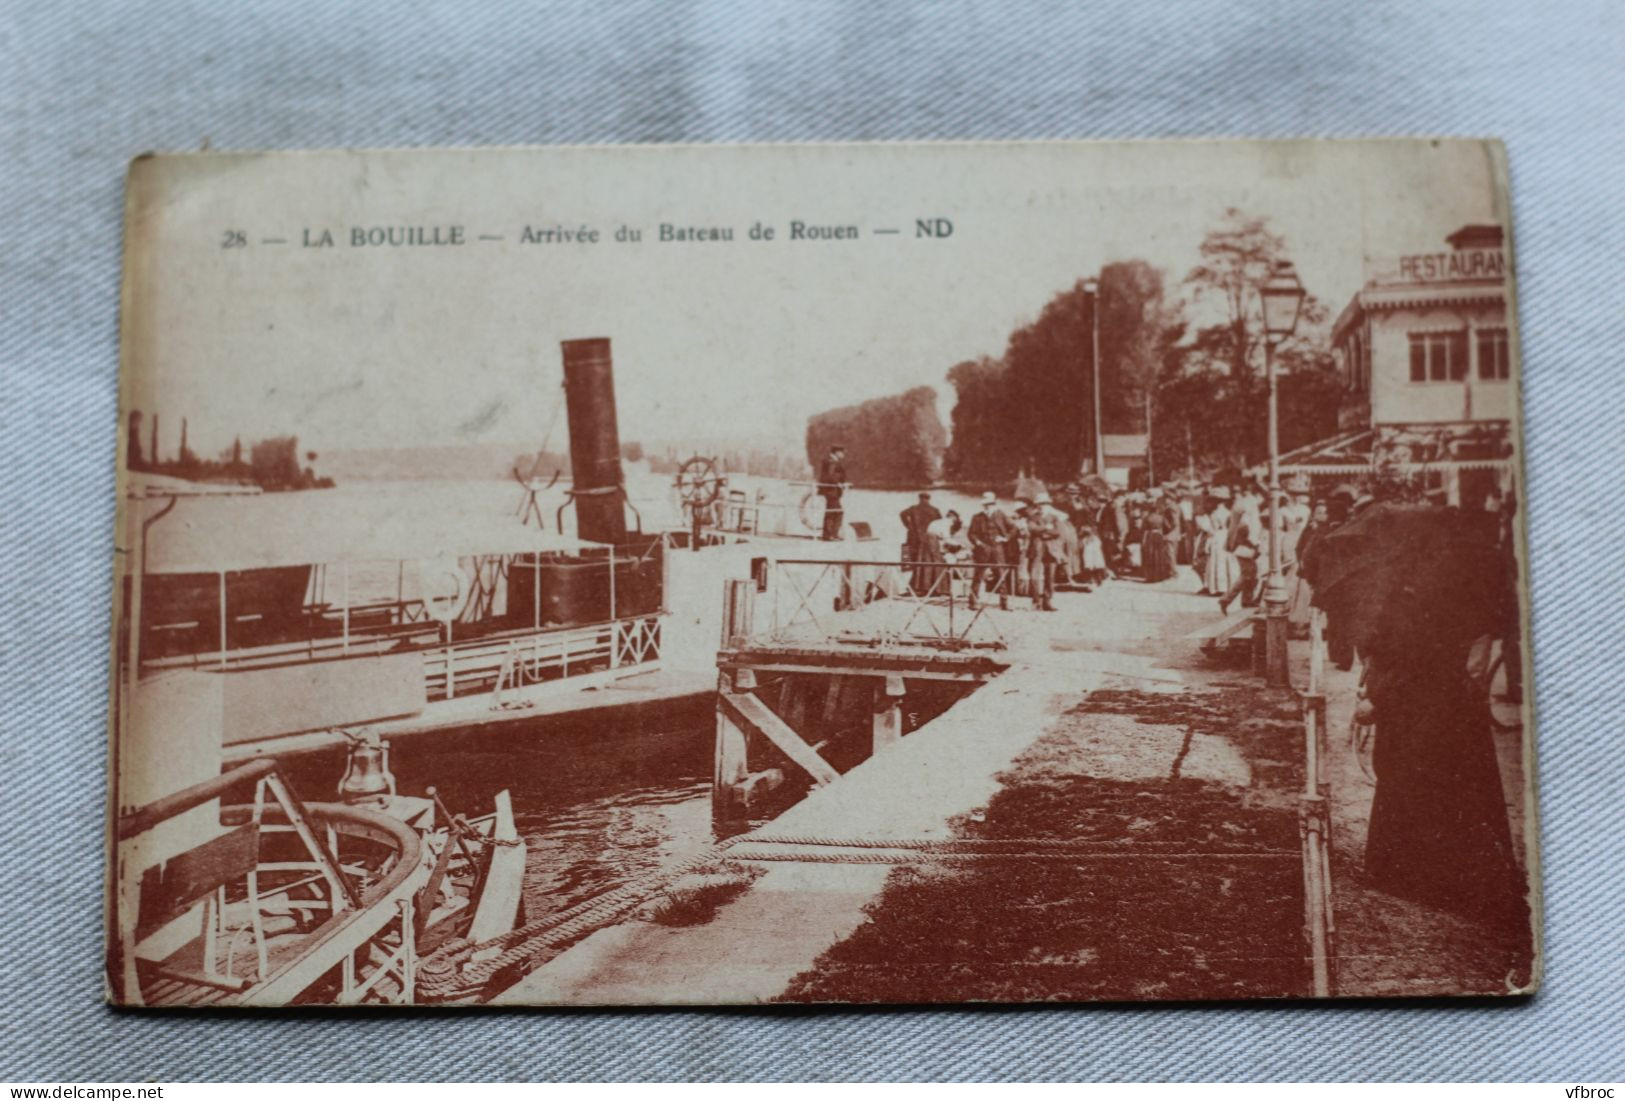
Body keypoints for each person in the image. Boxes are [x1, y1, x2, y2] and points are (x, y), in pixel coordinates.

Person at [967, 492, 1015, 609]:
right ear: (983, 505)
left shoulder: (1001, 515)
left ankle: (1004, 601)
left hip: (997, 548)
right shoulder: (977, 517)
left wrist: (1005, 538)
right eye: (986, 504)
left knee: (1001, 574)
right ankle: (973, 601)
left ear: (994, 504)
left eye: (991, 504)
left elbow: (1014, 528)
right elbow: (971, 533)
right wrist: (977, 542)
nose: (988, 506)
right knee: (978, 575)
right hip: (982, 549)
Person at [1219, 493, 1262, 614]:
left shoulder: (1238, 519)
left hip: (1242, 549)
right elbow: (1249, 536)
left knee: (1251, 575)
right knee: (1247, 575)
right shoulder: (1246, 520)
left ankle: (1246, 600)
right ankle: (1226, 599)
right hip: (1245, 549)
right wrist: (1256, 545)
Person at [1024, 492, 1064, 610]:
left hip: (1051, 549)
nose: (1042, 506)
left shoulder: (1054, 517)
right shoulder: (1032, 517)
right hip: (1036, 548)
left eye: (1044, 504)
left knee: (1050, 576)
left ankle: (1047, 601)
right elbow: (1032, 529)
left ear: (1048, 504)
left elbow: (1057, 532)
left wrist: (1042, 533)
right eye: (1040, 504)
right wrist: (1046, 528)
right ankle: (1036, 601)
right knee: (1034, 575)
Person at [898, 491, 941, 592]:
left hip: (914, 538)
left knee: (914, 562)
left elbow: (902, 514)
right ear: (928, 499)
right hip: (928, 539)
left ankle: (915, 585)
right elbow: (940, 523)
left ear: (920, 498)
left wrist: (908, 526)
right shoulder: (934, 510)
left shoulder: (913, 509)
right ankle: (924, 585)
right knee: (927, 561)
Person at [1196, 489, 1237, 596]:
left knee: (1216, 561)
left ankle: (1217, 587)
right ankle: (1226, 586)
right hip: (1226, 535)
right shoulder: (1229, 512)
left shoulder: (1214, 513)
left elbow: (1212, 528)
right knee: (1224, 561)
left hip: (1217, 536)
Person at [1140, 492, 1176, 583]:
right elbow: (1168, 527)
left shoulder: (1147, 517)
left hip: (1149, 536)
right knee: (1159, 555)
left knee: (1150, 556)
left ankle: (1150, 577)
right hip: (1159, 536)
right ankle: (1159, 576)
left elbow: (1143, 529)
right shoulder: (1161, 517)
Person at [817, 445, 847, 541]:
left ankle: (831, 534)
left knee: (834, 511)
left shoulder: (831, 461)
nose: (843, 455)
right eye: (842, 453)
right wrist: (839, 483)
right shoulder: (831, 462)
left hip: (832, 491)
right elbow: (831, 475)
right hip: (831, 491)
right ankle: (830, 535)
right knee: (835, 512)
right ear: (836, 452)